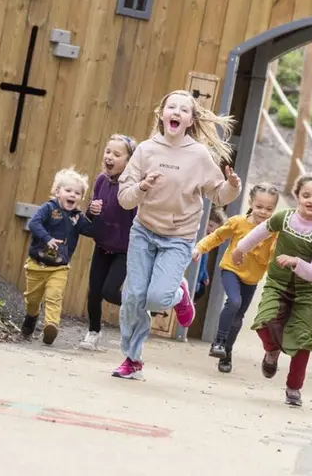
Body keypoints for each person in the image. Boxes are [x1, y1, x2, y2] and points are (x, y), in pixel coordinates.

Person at [113, 90, 242, 380]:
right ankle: (132, 359)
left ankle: (179, 292)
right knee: (133, 297)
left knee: (157, 299)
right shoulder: (146, 150)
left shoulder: (198, 155)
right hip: (144, 232)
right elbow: (125, 200)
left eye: (184, 110)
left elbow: (218, 195)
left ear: (190, 120)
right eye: (171, 107)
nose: (176, 112)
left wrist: (232, 185)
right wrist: (143, 186)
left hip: (178, 238)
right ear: (162, 114)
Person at [235, 174, 312, 407]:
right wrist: (240, 249)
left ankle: (293, 387)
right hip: (277, 285)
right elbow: (260, 232)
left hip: (305, 294)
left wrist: (296, 262)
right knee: (264, 321)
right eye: (306, 195)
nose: (311, 200)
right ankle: (272, 351)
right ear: (297, 195)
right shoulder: (284, 218)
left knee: (302, 340)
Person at [193, 183, 281, 373]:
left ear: (274, 210)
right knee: (234, 302)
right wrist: (200, 247)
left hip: (252, 278)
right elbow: (217, 236)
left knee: (238, 316)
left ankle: (227, 352)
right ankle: (219, 341)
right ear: (251, 202)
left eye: (269, 209)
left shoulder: (274, 231)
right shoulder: (238, 222)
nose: (263, 212)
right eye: (259, 207)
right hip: (231, 269)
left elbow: (274, 256)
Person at [22, 167, 95, 346]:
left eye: (77, 193)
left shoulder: (77, 218)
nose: (72, 195)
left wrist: (93, 214)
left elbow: (91, 230)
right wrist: (47, 238)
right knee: (32, 300)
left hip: (59, 267)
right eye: (68, 190)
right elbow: (34, 223)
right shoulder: (49, 208)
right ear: (57, 192)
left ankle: (51, 326)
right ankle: (31, 318)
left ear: (81, 198)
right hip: (36, 264)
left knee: (54, 296)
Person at [79, 135, 139, 351]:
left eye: (117, 154)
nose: (110, 157)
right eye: (107, 152)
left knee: (109, 291)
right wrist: (91, 210)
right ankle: (93, 332)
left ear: (129, 160)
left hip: (124, 250)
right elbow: (93, 211)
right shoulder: (101, 181)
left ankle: (137, 307)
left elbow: (137, 218)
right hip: (103, 245)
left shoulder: (131, 186)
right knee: (93, 292)